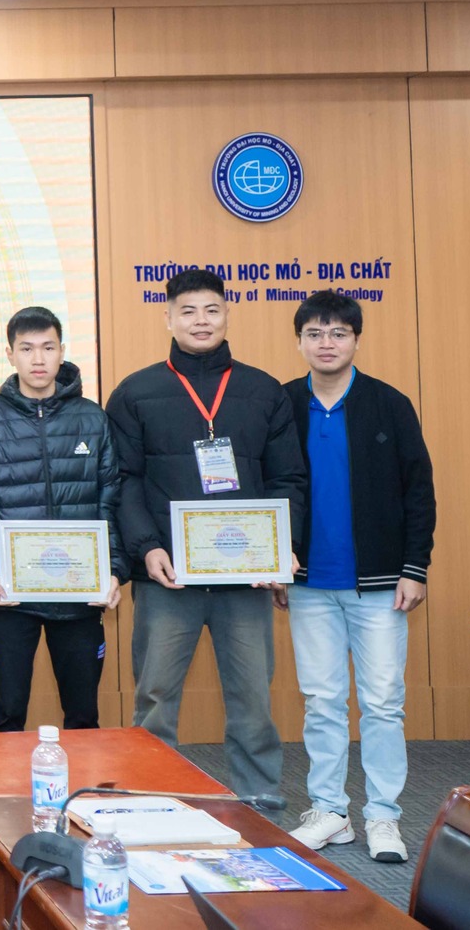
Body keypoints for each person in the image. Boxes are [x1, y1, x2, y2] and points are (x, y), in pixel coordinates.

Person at [106, 267, 305, 808]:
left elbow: (288, 478)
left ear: (227, 315)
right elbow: (123, 480)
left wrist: (283, 547)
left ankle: (258, 796)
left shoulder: (262, 390)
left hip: (246, 578)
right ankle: (152, 796)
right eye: (188, 311)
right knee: (155, 696)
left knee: (253, 697)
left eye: (211, 310)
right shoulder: (136, 392)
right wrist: (147, 547)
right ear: (168, 317)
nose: (201, 321)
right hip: (168, 577)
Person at [282, 291, 435, 862]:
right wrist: (273, 562)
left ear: (355, 339)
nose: (327, 343)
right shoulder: (282, 404)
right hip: (308, 584)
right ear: (300, 341)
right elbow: (267, 488)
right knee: (321, 701)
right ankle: (330, 811)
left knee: (383, 702)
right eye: (315, 333)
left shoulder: (389, 404)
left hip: (380, 584)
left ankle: (383, 816)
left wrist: (414, 568)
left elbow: (419, 491)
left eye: (338, 333)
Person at [0, 307, 125, 733]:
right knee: (7, 716)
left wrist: (113, 569)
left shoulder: (92, 417)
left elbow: (110, 500)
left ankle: (83, 782)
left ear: (62, 352)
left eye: (48, 347)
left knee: (83, 717)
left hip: (79, 598)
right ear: (9, 354)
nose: (38, 359)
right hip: (10, 598)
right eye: (26, 349)